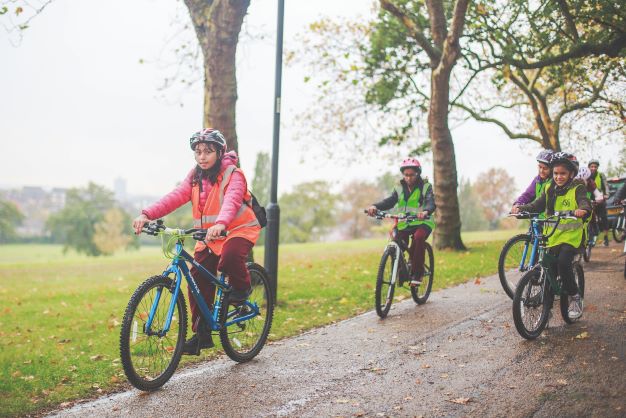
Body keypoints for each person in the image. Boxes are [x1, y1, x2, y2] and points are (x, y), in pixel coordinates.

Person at [132, 128, 261, 355]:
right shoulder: (194, 177)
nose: (202, 156)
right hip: (209, 237)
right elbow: (175, 196)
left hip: (237, 230)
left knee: (230, 258)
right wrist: (147, 214)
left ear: (220, 153)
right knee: (197, 279)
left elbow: (231, 200)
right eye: (198, 152)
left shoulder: (234, 174)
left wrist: (221, 223)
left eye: (208, 151)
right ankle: (201, 334)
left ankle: (242, 289)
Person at [512, 152, 592, 319]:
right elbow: (537, 205)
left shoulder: (578, 188)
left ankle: (575, 296)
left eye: (562, 173)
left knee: (563, 262)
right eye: (555, 173)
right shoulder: (550, 188)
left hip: (572, 237)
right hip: (553, 236)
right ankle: (546, 310)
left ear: (571, 174)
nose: (558, 177)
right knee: (548, 270)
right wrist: (522, 208)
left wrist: (582, 210)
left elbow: (585, 202)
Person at [367, 158, 436, 286]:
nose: (408, 178)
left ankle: (418, 273)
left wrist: (426, 211)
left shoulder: (426, 187)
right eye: (406, 175)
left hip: (423, 222)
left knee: (418, 237)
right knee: (396, 240)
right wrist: (375, 206)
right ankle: (400, 272)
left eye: (412, 175)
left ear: (418, 173)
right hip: (405, 222)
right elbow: (389, 201)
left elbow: (430, 202)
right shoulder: (399, 188)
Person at [511, 150, 553, 217]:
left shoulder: (554, 182)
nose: (541, 171)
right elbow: (527, 195)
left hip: (549, 220)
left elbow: (540, 204)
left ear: (552, 169)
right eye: (540, 167)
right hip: (537, 219)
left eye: (545, 168)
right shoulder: (537, 180)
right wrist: (518, 204)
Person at [588, 159, 610, 246]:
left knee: (603, 218)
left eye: (595, 167)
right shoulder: (587, 175)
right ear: (589, 167)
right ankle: (592, 237)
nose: (593, 168)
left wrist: (606, 195)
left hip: (600, 199)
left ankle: (606, 237)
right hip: (590, 199)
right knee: (590, 219)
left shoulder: (601, 175)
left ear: (597, 167)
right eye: (591, 166)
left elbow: (606, 185)